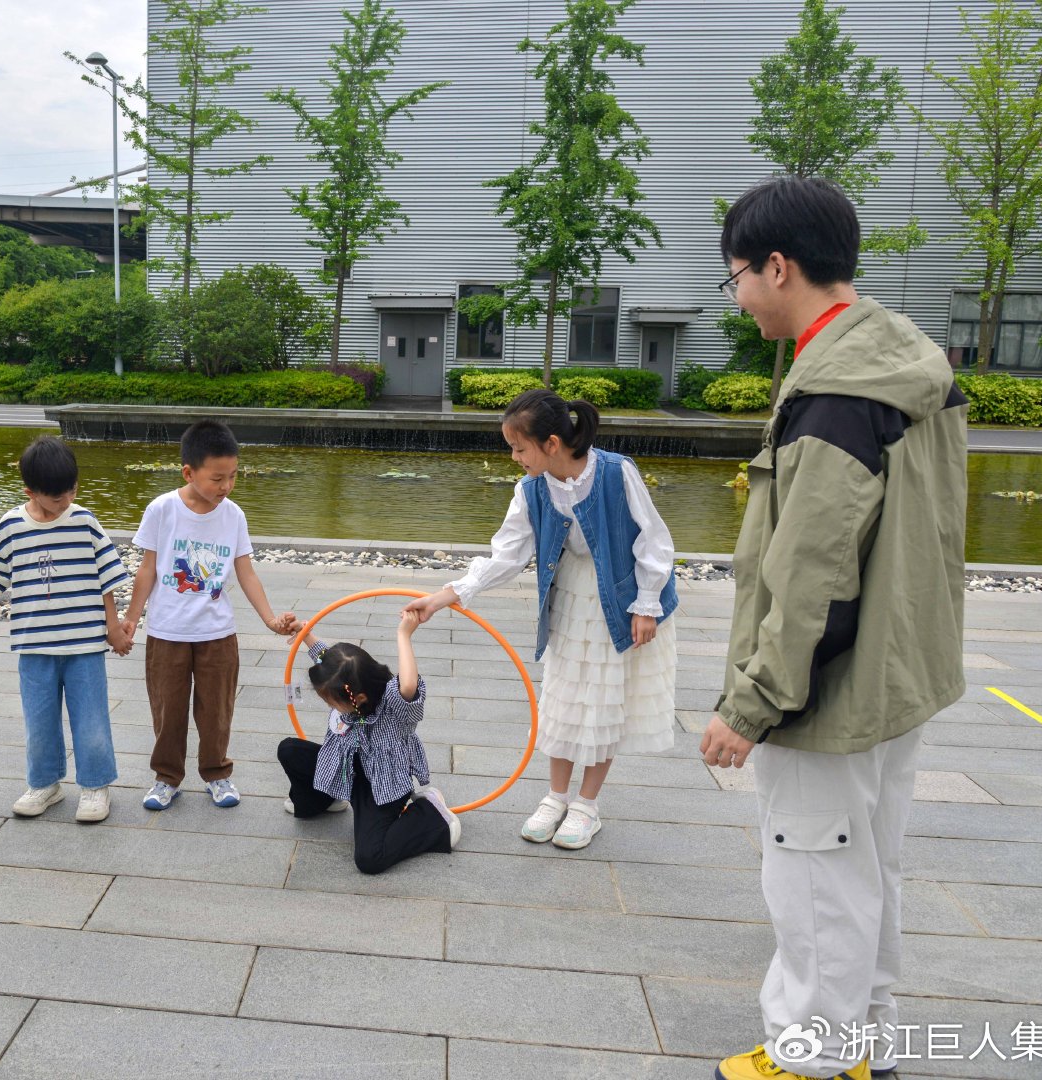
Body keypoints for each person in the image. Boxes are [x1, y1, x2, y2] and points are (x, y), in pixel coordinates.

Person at [701, 176, 968, 1080]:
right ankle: (865, 1040)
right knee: (869, 867)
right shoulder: (906, 362)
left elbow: (813, 577)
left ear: (778, 267)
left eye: (737, 276)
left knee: (814, 874)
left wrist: (751, 706)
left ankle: (811, 1055)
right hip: (897, 672)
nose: (738, 296)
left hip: (829, 689)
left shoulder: (833, 394)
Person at [404, 388, 678, 850]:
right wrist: (443, 597)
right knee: (563, 701)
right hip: (569, 599)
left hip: (622, 601)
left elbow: (653, 539)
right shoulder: (531, 489)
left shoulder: (616, 472)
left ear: (551, 443)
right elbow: (506, 555)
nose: (514, 457)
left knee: (605, 701)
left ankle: (586, 806)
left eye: (519, 448)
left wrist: (647, 604)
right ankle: (556, 797)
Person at [0, 435, 130, 823]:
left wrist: (113, 626)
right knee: (39, 721)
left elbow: (107, 578)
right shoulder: (13, 525)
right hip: (34, 646)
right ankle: (44, 783)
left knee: (91, 720)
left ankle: (95, 785)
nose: (66, 501)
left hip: (84, 645)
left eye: (72, 491)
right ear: (30, 491)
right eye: (57, 497)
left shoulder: (84, 521)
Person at [121, 419, 298, 810]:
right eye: (217, 478)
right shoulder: (162, 509)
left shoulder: (233, 515)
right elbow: (147, 569)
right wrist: (132, 618)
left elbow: (245, 572)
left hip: (217, 633)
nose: (226, 486)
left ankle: (217, 773)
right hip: (167, 631)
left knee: (217, 710)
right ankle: (166, 777)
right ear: (189, 472)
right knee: (168, 709)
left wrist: (269, 619)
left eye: (233, 476)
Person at [278, 610, 460, 874]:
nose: (329, 706)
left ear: (359, 698)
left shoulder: (394, 708)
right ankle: (323, 801)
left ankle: (430, 814)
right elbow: (326, 659)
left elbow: (408, 686)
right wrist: (304, 633)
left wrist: (404, 634)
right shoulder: (346, 682)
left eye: (331, 702)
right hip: (345, 769)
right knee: (289, 750)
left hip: (379, 785)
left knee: (370, 858)